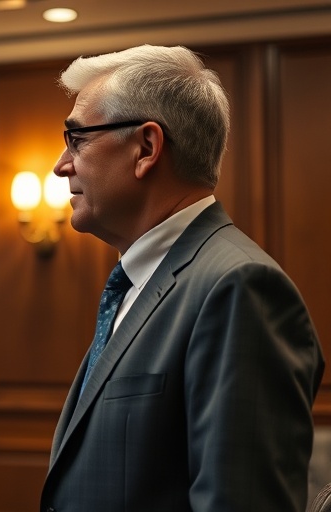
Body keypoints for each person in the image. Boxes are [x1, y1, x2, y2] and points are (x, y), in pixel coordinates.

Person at [40, 44, 324, 511]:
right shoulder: (141, 282)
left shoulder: (238, 287)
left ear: (146, 148)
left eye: (77, 139)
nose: (60, 164)